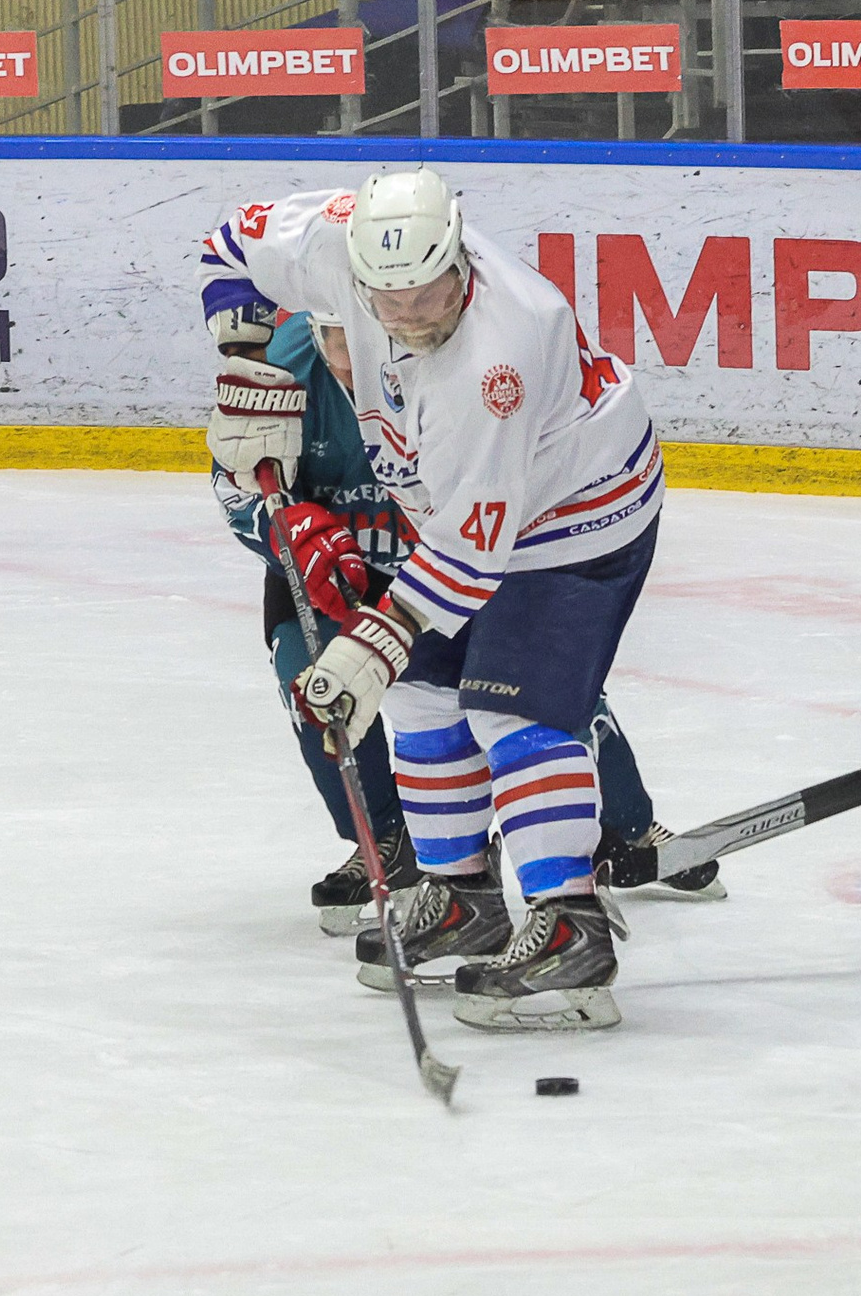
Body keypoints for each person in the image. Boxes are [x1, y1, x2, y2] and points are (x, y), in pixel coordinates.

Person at [197, 166, 664, 1032]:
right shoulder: (333, 243)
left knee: (509, 711)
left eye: (427, 294)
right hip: (469, 517)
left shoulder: (496, 362)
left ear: (460, 256)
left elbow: (468, 561)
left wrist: (367, 645)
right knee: (419, 689)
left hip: (578, 512)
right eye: (389, 301)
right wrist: (246, 360)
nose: (410, 317)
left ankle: (570, 927)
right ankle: (462, 898)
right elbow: (227, 246)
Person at [206, 306, 718, 939]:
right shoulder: (281, 367)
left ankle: (628, 821)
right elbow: (233, 479)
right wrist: (282, 526)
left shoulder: (449, 363)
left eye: (360, 336)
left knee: (527, 690)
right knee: (317, 689)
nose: (349, 356)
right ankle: (394, 843)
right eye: (334, 338)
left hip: (449, 556)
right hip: (330, 569)